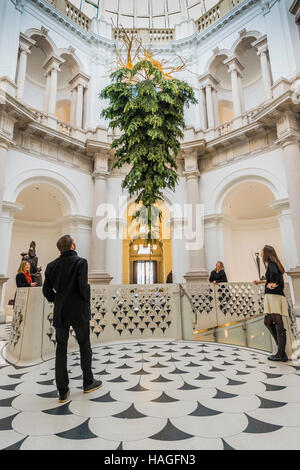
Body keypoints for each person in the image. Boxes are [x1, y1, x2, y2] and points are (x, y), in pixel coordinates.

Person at [43, 235, 101, 403]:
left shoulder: (51, 266)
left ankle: (62, 390)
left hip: (60, 312)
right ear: (73, 246)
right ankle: (88, 382)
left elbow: (46, 291)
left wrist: (58, 300)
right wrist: (86, 300)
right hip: (78, 311)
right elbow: (82, 287)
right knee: (85, 346)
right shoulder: (80, 262)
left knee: (61, 350)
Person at [254, 245, 288, 362]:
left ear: (266, 253)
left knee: (278, 322)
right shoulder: (274, 263)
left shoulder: (271, 264)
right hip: (274, 296)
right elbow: (274, 277)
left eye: (262, 251)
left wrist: (272, 284)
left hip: (273, 296)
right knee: (268, 321)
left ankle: (281, 353)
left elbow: (274, 276)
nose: (261, 252)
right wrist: (263, 282)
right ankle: (281, 351)